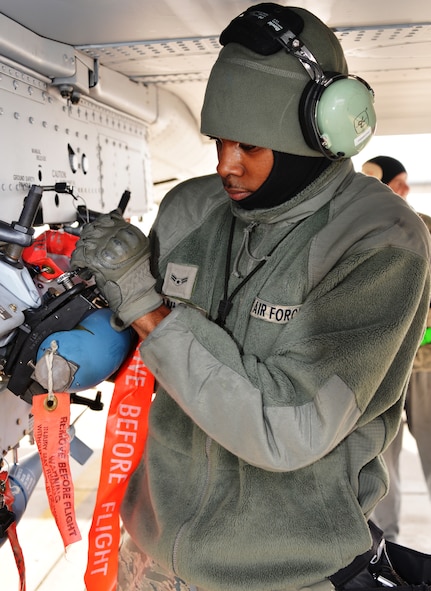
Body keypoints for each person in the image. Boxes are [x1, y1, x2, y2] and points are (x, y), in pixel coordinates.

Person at [71, 4, 431, 591]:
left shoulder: (380, 242)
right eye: (218, 141)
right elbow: (136, 350)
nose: (225, 166)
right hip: (150, 563)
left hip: (287, 576)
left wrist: (146, 305)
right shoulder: (191, 210)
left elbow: (286, 427)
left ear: (318, 139)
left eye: (249, 147)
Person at [362, 155, 431, 542]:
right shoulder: (357, 230)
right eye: (397, 182)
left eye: (406, 183)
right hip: (382, 370)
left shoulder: (425, 228)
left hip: (424, 367)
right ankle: (385, 542)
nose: (404, 190)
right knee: (380, 461)